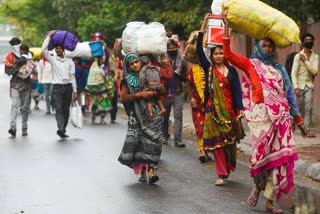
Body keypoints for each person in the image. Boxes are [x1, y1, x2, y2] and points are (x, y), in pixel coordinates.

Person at [222, 13, 309, 213]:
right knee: (261, 160)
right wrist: (228, 30)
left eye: (271, 47)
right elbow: (228, 56)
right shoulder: (251, 64)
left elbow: (289, 96)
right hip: (261, 121)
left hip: (281, 120)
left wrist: (300, 121)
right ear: (259, 47)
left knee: (280, 161)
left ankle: (269, 201)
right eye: (265, 46)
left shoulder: (280, 69)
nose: (268, 49)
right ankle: (257, 187)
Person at [196, 16, 245, 185]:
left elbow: (237, 91)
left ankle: (228, 166)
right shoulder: (209, 69)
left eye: (221, 53)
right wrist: (203, 25)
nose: (218, 56)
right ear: (212, 55)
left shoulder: (231, 71)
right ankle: (221, 173)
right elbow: (198, 50)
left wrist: (241, 109)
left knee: (229, 143)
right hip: (213, 111)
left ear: (225, 54)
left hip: (230, 111)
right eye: (215, 53)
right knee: (217, 143)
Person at [118, 52, 165, 184]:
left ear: (140, 61)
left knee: (154, 142)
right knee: (140, 145)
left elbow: (163, 91)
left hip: (152, 115)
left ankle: (152, 172)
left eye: (136, 62)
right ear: (128, 66)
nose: (135, 65)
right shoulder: (126, 80)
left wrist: (153, 92)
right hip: (136, 116)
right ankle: (143, 172)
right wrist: (139, 95)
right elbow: (123, 98)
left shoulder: (149, 74)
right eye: (131, 64)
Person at [42, 31, 77, 138]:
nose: (58, 50)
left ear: (63, 50)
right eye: (56, 49)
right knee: (59, 109)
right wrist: (49, 37)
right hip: (56, 88)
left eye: (59, 49)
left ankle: (63, 129)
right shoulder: (52, 60)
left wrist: (75, 91)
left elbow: (72, 77)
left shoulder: (70, 62)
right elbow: (43, 50)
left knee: (66, 110)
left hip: (68, 88)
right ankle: (60, 128)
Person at [4, 40, 36, 137]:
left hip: (26, 85)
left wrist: (32, 75)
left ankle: (24, 127)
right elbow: (7, 71)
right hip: (15, 84)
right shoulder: (10, 57)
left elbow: (33, 71)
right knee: (14, 105)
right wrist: (15, 68)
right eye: (13, 45)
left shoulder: (30, 57)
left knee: (25, 108)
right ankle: (13, 128)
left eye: (16, 45)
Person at [162, 39, 188, 147]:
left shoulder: (182, 62)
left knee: (178, 116)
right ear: (167, 49)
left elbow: (185, 77)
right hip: (165, 92)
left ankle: (178, 139)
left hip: (178, 92)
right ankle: (164, 136)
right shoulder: (163, 62)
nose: (172, 49)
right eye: (170, 48)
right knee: (165, 116)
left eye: (174, 48)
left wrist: (178, 75)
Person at [291, 33, 319, 132]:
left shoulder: (315, 56)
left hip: (309, 85)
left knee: (308, 108)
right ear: (303, 42)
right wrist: (295, 87)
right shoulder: (298, 56)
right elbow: (293, 73)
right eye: (306, 40)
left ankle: (306, 129)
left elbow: (315, 71)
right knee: (297, 108)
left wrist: (306, 61)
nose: (308, 41)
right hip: (299, 85)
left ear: (313, 42)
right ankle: (292, 123)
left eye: (310, 40)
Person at [185, 64, 212, 163]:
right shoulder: (193, 69)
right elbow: (187, 84)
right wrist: (191, 97)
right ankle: (203, 152)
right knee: (200, 127)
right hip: (197, 102)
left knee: (209, 128)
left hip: (210, 102)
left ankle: (209, 151)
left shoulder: (211, 67)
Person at [85, 56, 114, 124]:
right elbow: (91, 80)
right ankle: (93, 116)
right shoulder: (94, 69)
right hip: (95, 90)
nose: (102, 61)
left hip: (103, 90)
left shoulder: (103, 68)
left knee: (103, 105)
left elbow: (105, 77)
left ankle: (102, 118)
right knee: (95, 104)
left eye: (102, 60)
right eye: (101, 60)